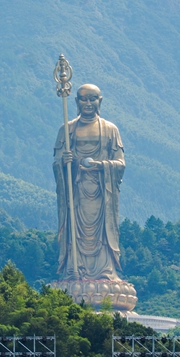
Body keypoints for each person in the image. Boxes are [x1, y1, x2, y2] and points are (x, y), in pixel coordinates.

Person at [53, 83, 125, 281]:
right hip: (76, 193)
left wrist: (101, 165)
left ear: (100, 101)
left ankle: (105, 270)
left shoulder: (110, 130)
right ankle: (75, 268)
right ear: (76, 101)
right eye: (83, 99)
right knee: (75, 231)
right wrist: (65, 162)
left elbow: (120, 163)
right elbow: (57, 163)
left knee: (102, 234)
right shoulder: (67, 130)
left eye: (92, 99)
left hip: (102, 193)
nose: (88, 103)